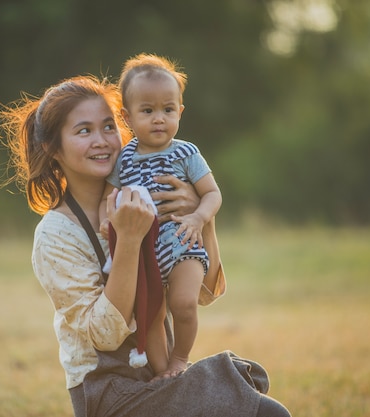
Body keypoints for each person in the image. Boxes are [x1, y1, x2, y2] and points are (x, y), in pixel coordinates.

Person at [0, 74, 291, 417]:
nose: (102, 141)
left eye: (108, 126)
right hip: (110, 391)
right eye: (84, 131)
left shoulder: (150, 194)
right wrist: (129, 239)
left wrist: (200, 216)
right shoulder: (55, 235)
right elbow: (103, 335)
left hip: (161, 373)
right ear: (52, 148)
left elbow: (206, 292)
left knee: (258, 397)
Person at [98, 53, 223, 380]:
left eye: (168, 110)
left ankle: (180, 359)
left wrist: (198, 217)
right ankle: (162, 373)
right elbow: (107, 198)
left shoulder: (186, 152)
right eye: (148, 110)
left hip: (184, 243)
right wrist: (105, 221)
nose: (159, 119)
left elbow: (213, 194)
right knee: (150, 316)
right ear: (127, 117)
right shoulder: (124, 160)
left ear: (180, 111)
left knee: (182, 304)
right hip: (146, 253)